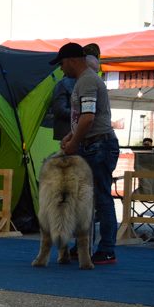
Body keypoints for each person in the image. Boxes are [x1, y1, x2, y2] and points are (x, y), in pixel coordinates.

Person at [56, 42, 119, 265]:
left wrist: (74, 142)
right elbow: (83, 117)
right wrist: (71, 137)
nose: (61, 68)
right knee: (86, 199)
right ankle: (85, 246)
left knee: (101, 198)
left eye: (62, 63)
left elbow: (88, 117)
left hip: (98, 146)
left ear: (72, 60)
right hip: (93, 144)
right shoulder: (85, 81)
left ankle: (107, 249)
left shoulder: (87, 82)